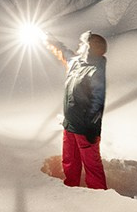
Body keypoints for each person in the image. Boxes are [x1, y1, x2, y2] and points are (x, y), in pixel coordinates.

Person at [46, 31, 108, 190]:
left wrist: (91, 128)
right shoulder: (76, 62)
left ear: (89, 48)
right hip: (70, 124)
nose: (79, 45)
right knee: (69, 160)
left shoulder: (95, 70)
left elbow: (97, 100)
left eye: (83, 44)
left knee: (91, 164)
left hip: (86, 129)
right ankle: (70, 189)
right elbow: (61, 50)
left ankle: (98, 195)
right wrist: (48, 38)